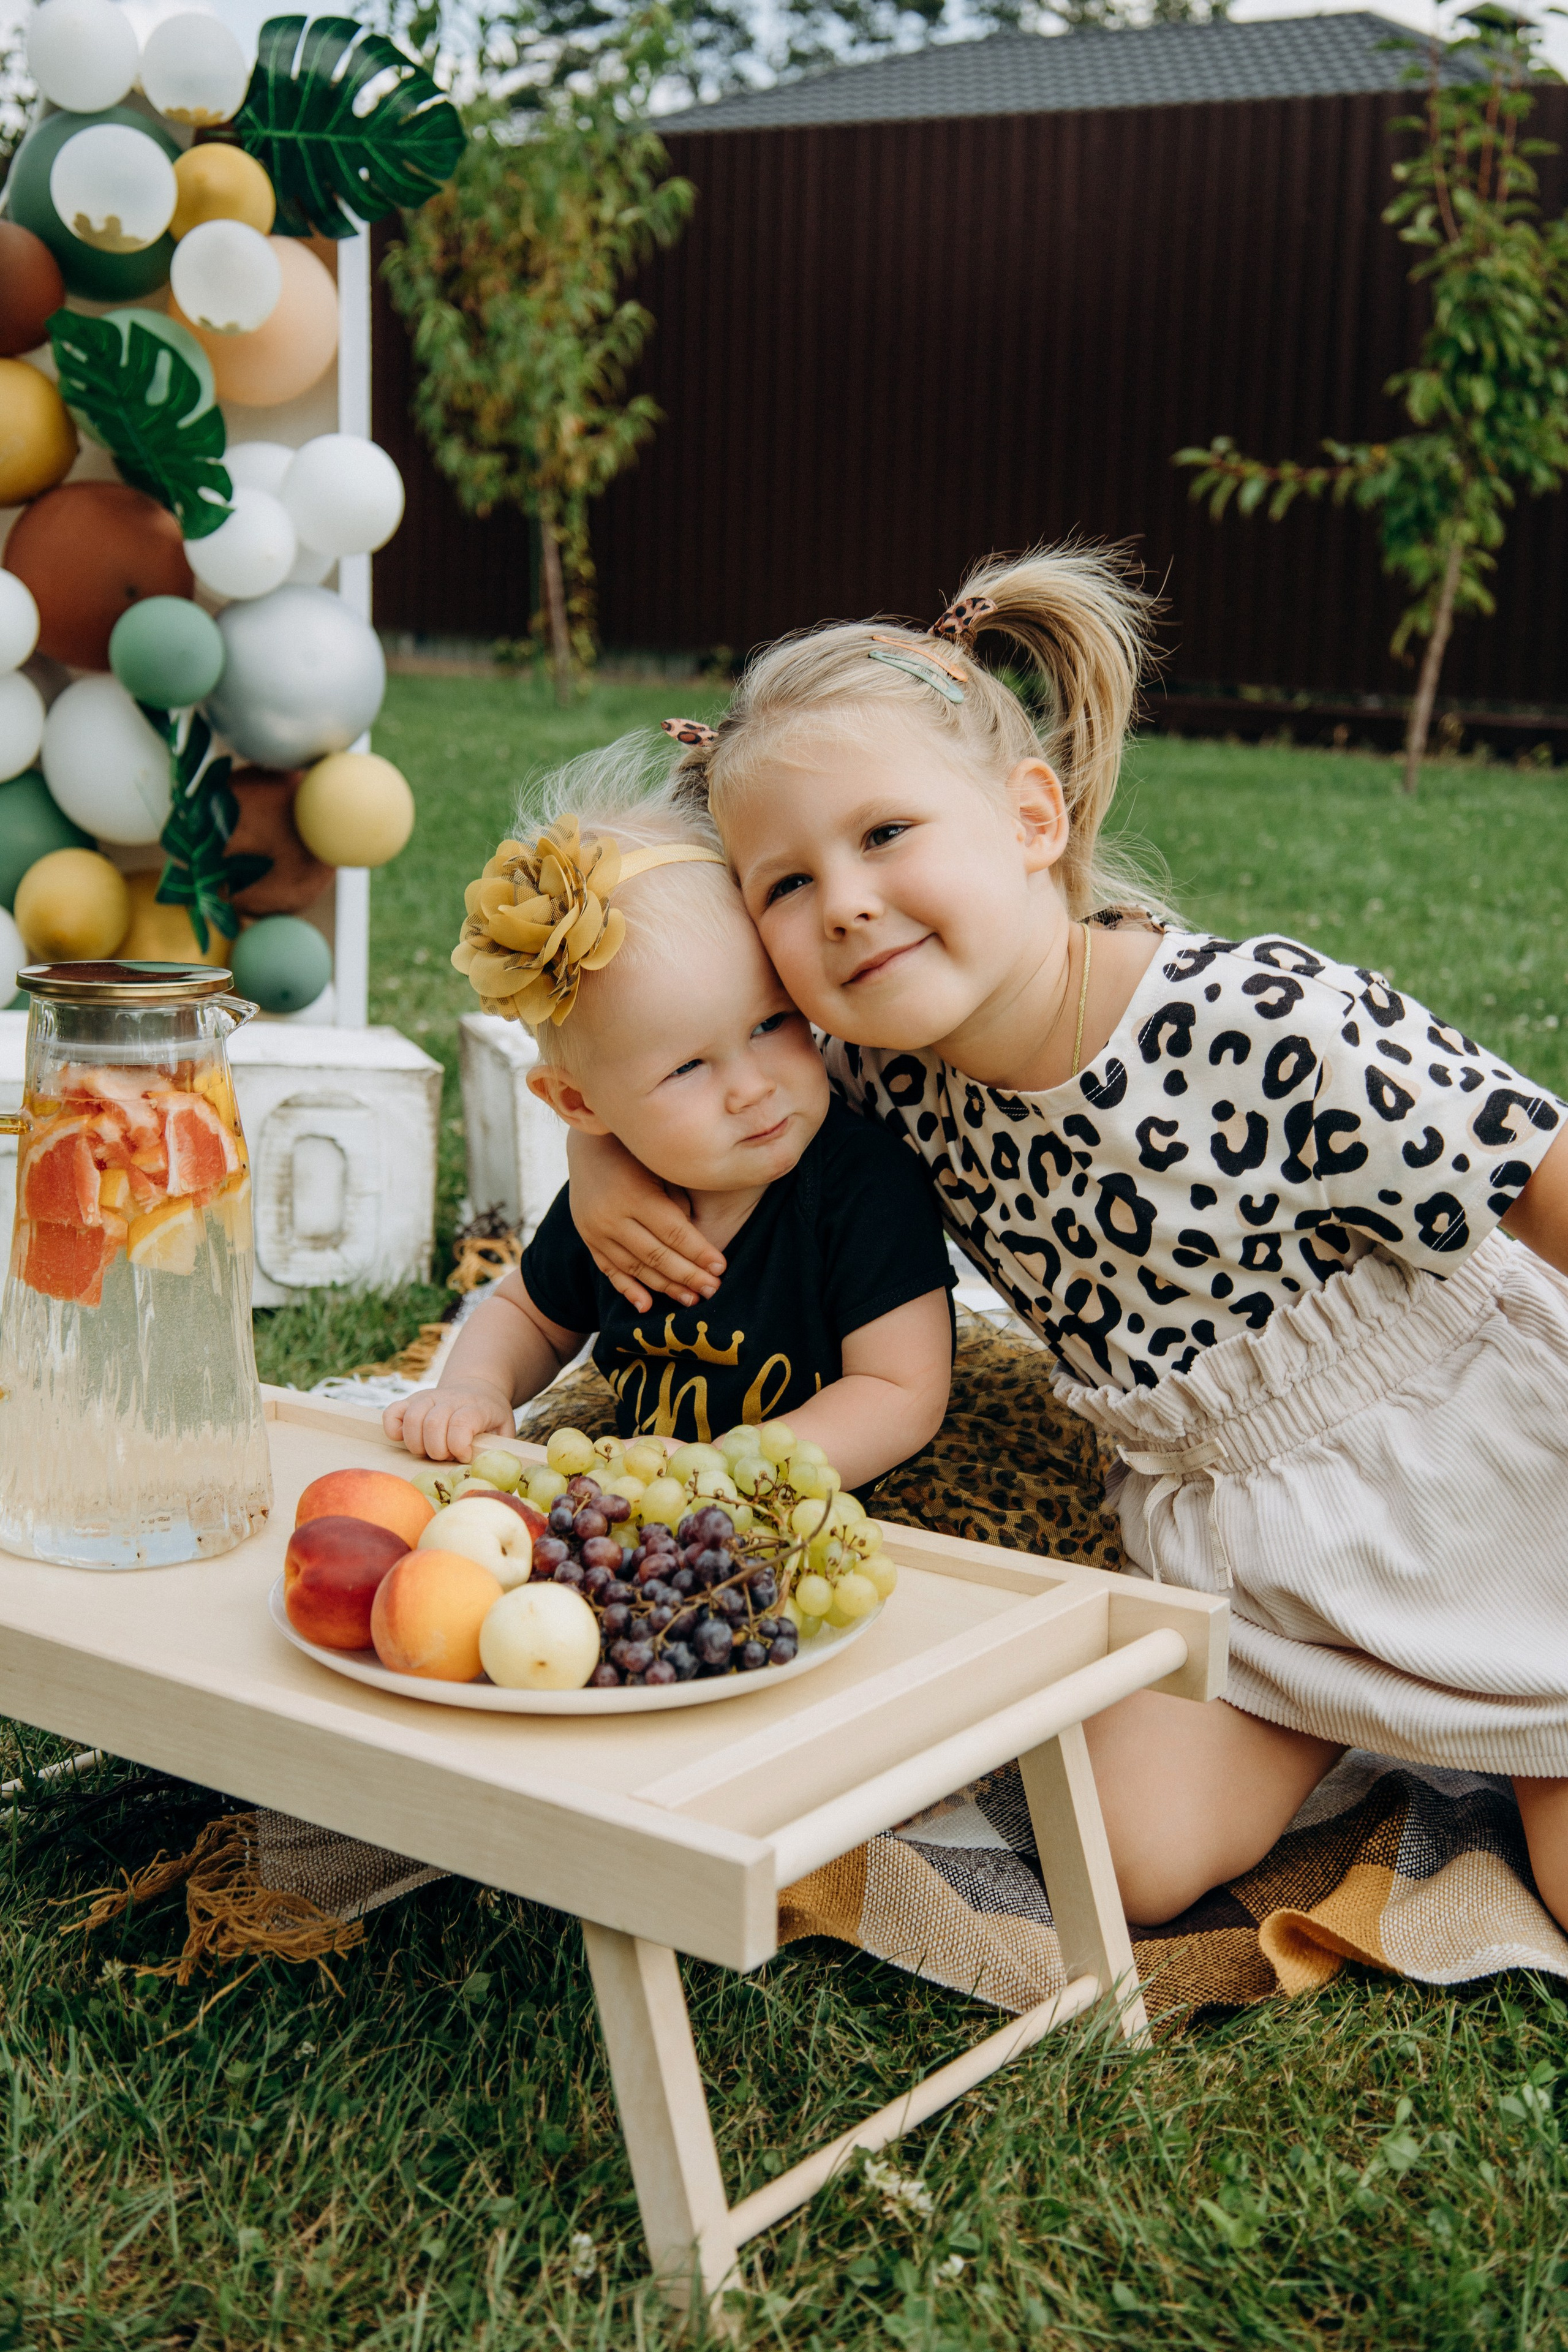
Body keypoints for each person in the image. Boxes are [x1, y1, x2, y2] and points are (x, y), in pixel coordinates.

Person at [567, 546, 1568, 1932]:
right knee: (1117, 1853)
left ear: (1031, 816)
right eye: (782, 885)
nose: (842, 901)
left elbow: (1539, 1172)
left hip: (1486, 1481)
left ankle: (1505, 1724)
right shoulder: (879, 1070)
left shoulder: (1263, 1017)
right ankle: (1363, 1714)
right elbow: (654, 1018)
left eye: (884, 834)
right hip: (1243, 1548)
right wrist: (595, 1150)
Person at [385, 763, 954, 1494]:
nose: (752, 1088)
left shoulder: (860, 1185)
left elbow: (899, 1393)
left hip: (831, 1507)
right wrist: (476, 1387)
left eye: (771, 1023)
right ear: (582, 1107)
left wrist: (725, 1477)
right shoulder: (618, 1203)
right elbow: (528, 1313)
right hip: (651, 1506)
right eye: (687, 1068)